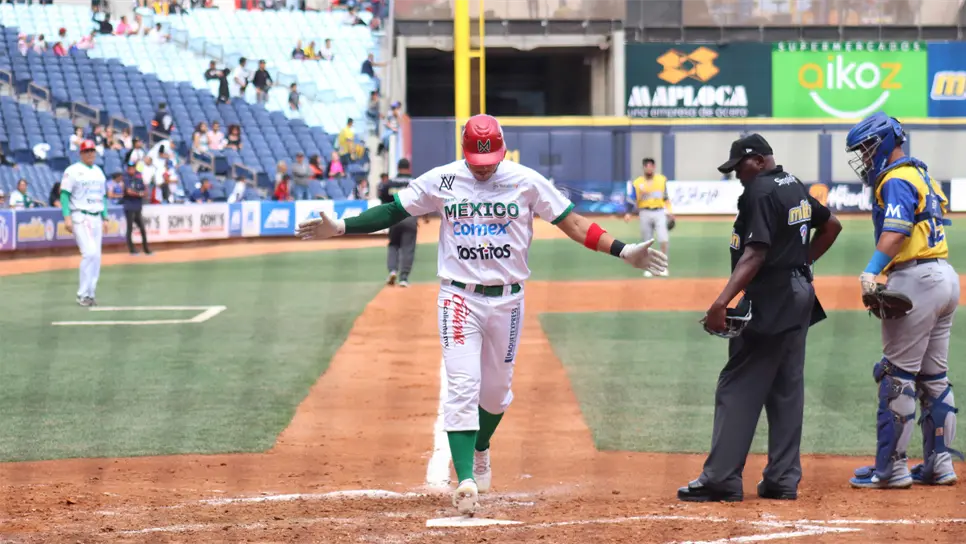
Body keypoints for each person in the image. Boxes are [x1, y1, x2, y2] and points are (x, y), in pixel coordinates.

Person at [296, 114, 668, 515]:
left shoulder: (526, 181)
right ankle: (466, 480)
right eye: (476, 160)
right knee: (462, 386)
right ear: (464, 152)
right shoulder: (444, 179)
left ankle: (480, 446)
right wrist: (341, 227)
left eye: (490, 159)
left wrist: (624, 250)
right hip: (459, 298)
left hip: (508, 301)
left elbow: (573, 224)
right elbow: (392, 211)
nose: (484, 166)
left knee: (495, 393)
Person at [677, 133, 842, 502]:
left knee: (737, 384)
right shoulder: (793, 185)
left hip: (771, 298)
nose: (737, 175)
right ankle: (783, 479)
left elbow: (754, 255)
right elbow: (832, 226)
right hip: (800, 295)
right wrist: (802, 262)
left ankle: (720, 479)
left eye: (738, 167)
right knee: (786, 387)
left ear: (756, 160)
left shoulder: (760, 192)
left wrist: (721, 302)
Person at [844, 113, 963, 489]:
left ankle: (891, 469)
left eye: (866, 148)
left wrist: (871, 270)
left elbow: (896, 231)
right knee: (935, 379)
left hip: (915, 280)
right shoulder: (919, 173)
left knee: (896, 377)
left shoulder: (895, 178)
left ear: (884, 141)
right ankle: (939, 465)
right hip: (944, 276)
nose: (864, 157)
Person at [61, 140, 109, 307]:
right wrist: (66, 217)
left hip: (96, 216)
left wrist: (106, 216)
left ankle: (90, 294)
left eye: (92, 150)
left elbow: (102, 196)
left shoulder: (98, 172)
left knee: (96, 257)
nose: (90, 153)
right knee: (89, 253)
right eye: (86, 150)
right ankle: (82, 294)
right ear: (80, 153)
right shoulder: (72, 171)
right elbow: (64, 195)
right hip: (80, 215)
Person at [625, 158, 673, 277]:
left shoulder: (661, 180)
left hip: (659, 211)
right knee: (646, 242)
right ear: (644, 168)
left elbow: (666, 197)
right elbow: (632, 199)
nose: (649, 168)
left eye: (651, 166)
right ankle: (649, 267)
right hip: (644, 212)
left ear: (654, 167)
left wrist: (671, 212)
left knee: (664, 239)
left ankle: (663, 266)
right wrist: (628, 213)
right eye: (647, 166)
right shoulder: (637, 182)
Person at [377, 159, 418, 287]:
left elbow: (383, 198)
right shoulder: (415, 183)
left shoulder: (390, 183)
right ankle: (404, 278)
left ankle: (392, 271)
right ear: (408, 167)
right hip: (410, 218)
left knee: (393, 244)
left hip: (394, 218)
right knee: (408, 247)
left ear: (398, 168)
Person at [122, 163, 151, 256]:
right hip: (129, 207)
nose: (131, 170)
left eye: (132, 168)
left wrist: (140, 193)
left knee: (142, 228)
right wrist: (139, 194)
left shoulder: (138, 176)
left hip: (138, 206)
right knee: (130, 228)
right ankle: (132, 250)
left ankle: (146, 249)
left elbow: (145, 191)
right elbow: (128, 191)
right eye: (129, 168)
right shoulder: (126, 177)